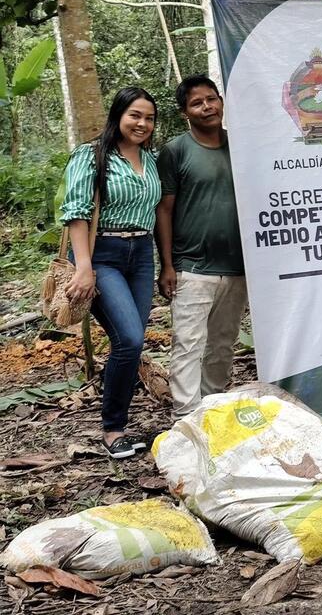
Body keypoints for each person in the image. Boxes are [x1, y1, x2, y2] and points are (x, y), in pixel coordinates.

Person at [61, 87, 162, 459]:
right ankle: (112, 429)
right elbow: (77, 212)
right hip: (102, 253)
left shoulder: (150, 160)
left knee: (130, 344)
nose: (142, 123)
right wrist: (84, 267)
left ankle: (119, 421)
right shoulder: (91, 155)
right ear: (119, 115)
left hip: (141, 255)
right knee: (131, 339)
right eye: (135, 115)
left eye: (149, 118)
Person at [155, 75, 248, 419]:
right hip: (192, 266)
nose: (206, 107)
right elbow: (163, 209)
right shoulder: (176, 150)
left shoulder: (241, 145)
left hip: (238, 265)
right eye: (197, 103)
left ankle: (210, 410)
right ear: (185, 113)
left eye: (211, 99)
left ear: (222, 101)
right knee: (189, 343)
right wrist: (167, 264)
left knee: (222, 344)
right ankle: (185, 417)